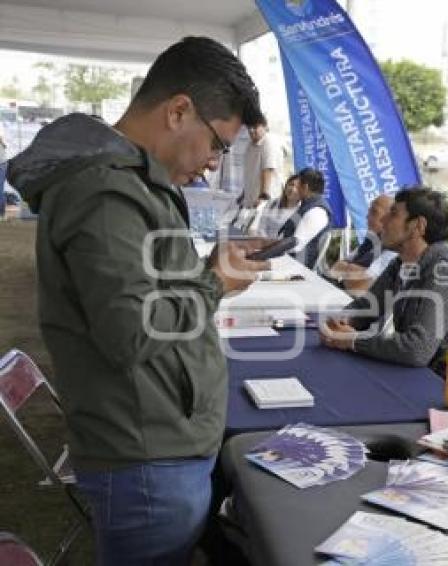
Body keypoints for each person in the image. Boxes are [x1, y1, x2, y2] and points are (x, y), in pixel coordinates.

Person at [7, 36, 271, 565]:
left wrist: (205, 267)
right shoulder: (106, 191)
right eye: (220, 145)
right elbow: (130, 331)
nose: (216, 165)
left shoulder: (132, 181)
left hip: (157, 444)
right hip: (147, 456)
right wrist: (214, 282)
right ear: (179, 111)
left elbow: (148, 289)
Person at [320, 187, 448, 380]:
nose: (383, 221)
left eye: (393, 214)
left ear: (418, 226)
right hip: (423, 378)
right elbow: (368, 306)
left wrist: (351, 340)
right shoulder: (402, 263)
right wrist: (344, 320)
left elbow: (417, 349)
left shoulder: (445, 273)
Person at [327, 194, 396, 292]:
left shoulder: (393, 250)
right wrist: (352, 270)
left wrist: (348, 269)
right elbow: (336, 268)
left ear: (389, 218)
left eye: (374, 212)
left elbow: (360, 285)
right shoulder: (370, 240)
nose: (367, 216)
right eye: (369, 211)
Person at [279, 167, 332, 269]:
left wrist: (267, 252)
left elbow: (294, 245)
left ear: (305, 187)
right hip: (287, 261)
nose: (295, 189)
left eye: (297, 185)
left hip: (294, 268)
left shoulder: (316, 212)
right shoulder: (306, 206)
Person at [255, 173, 301, 237]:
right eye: (291, 184)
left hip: (283, 245)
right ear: (286, 185)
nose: (293, 189)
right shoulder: (272, 203)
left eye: (297, 188)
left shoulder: (300, 211)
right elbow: (261, 227)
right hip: (264, 242)